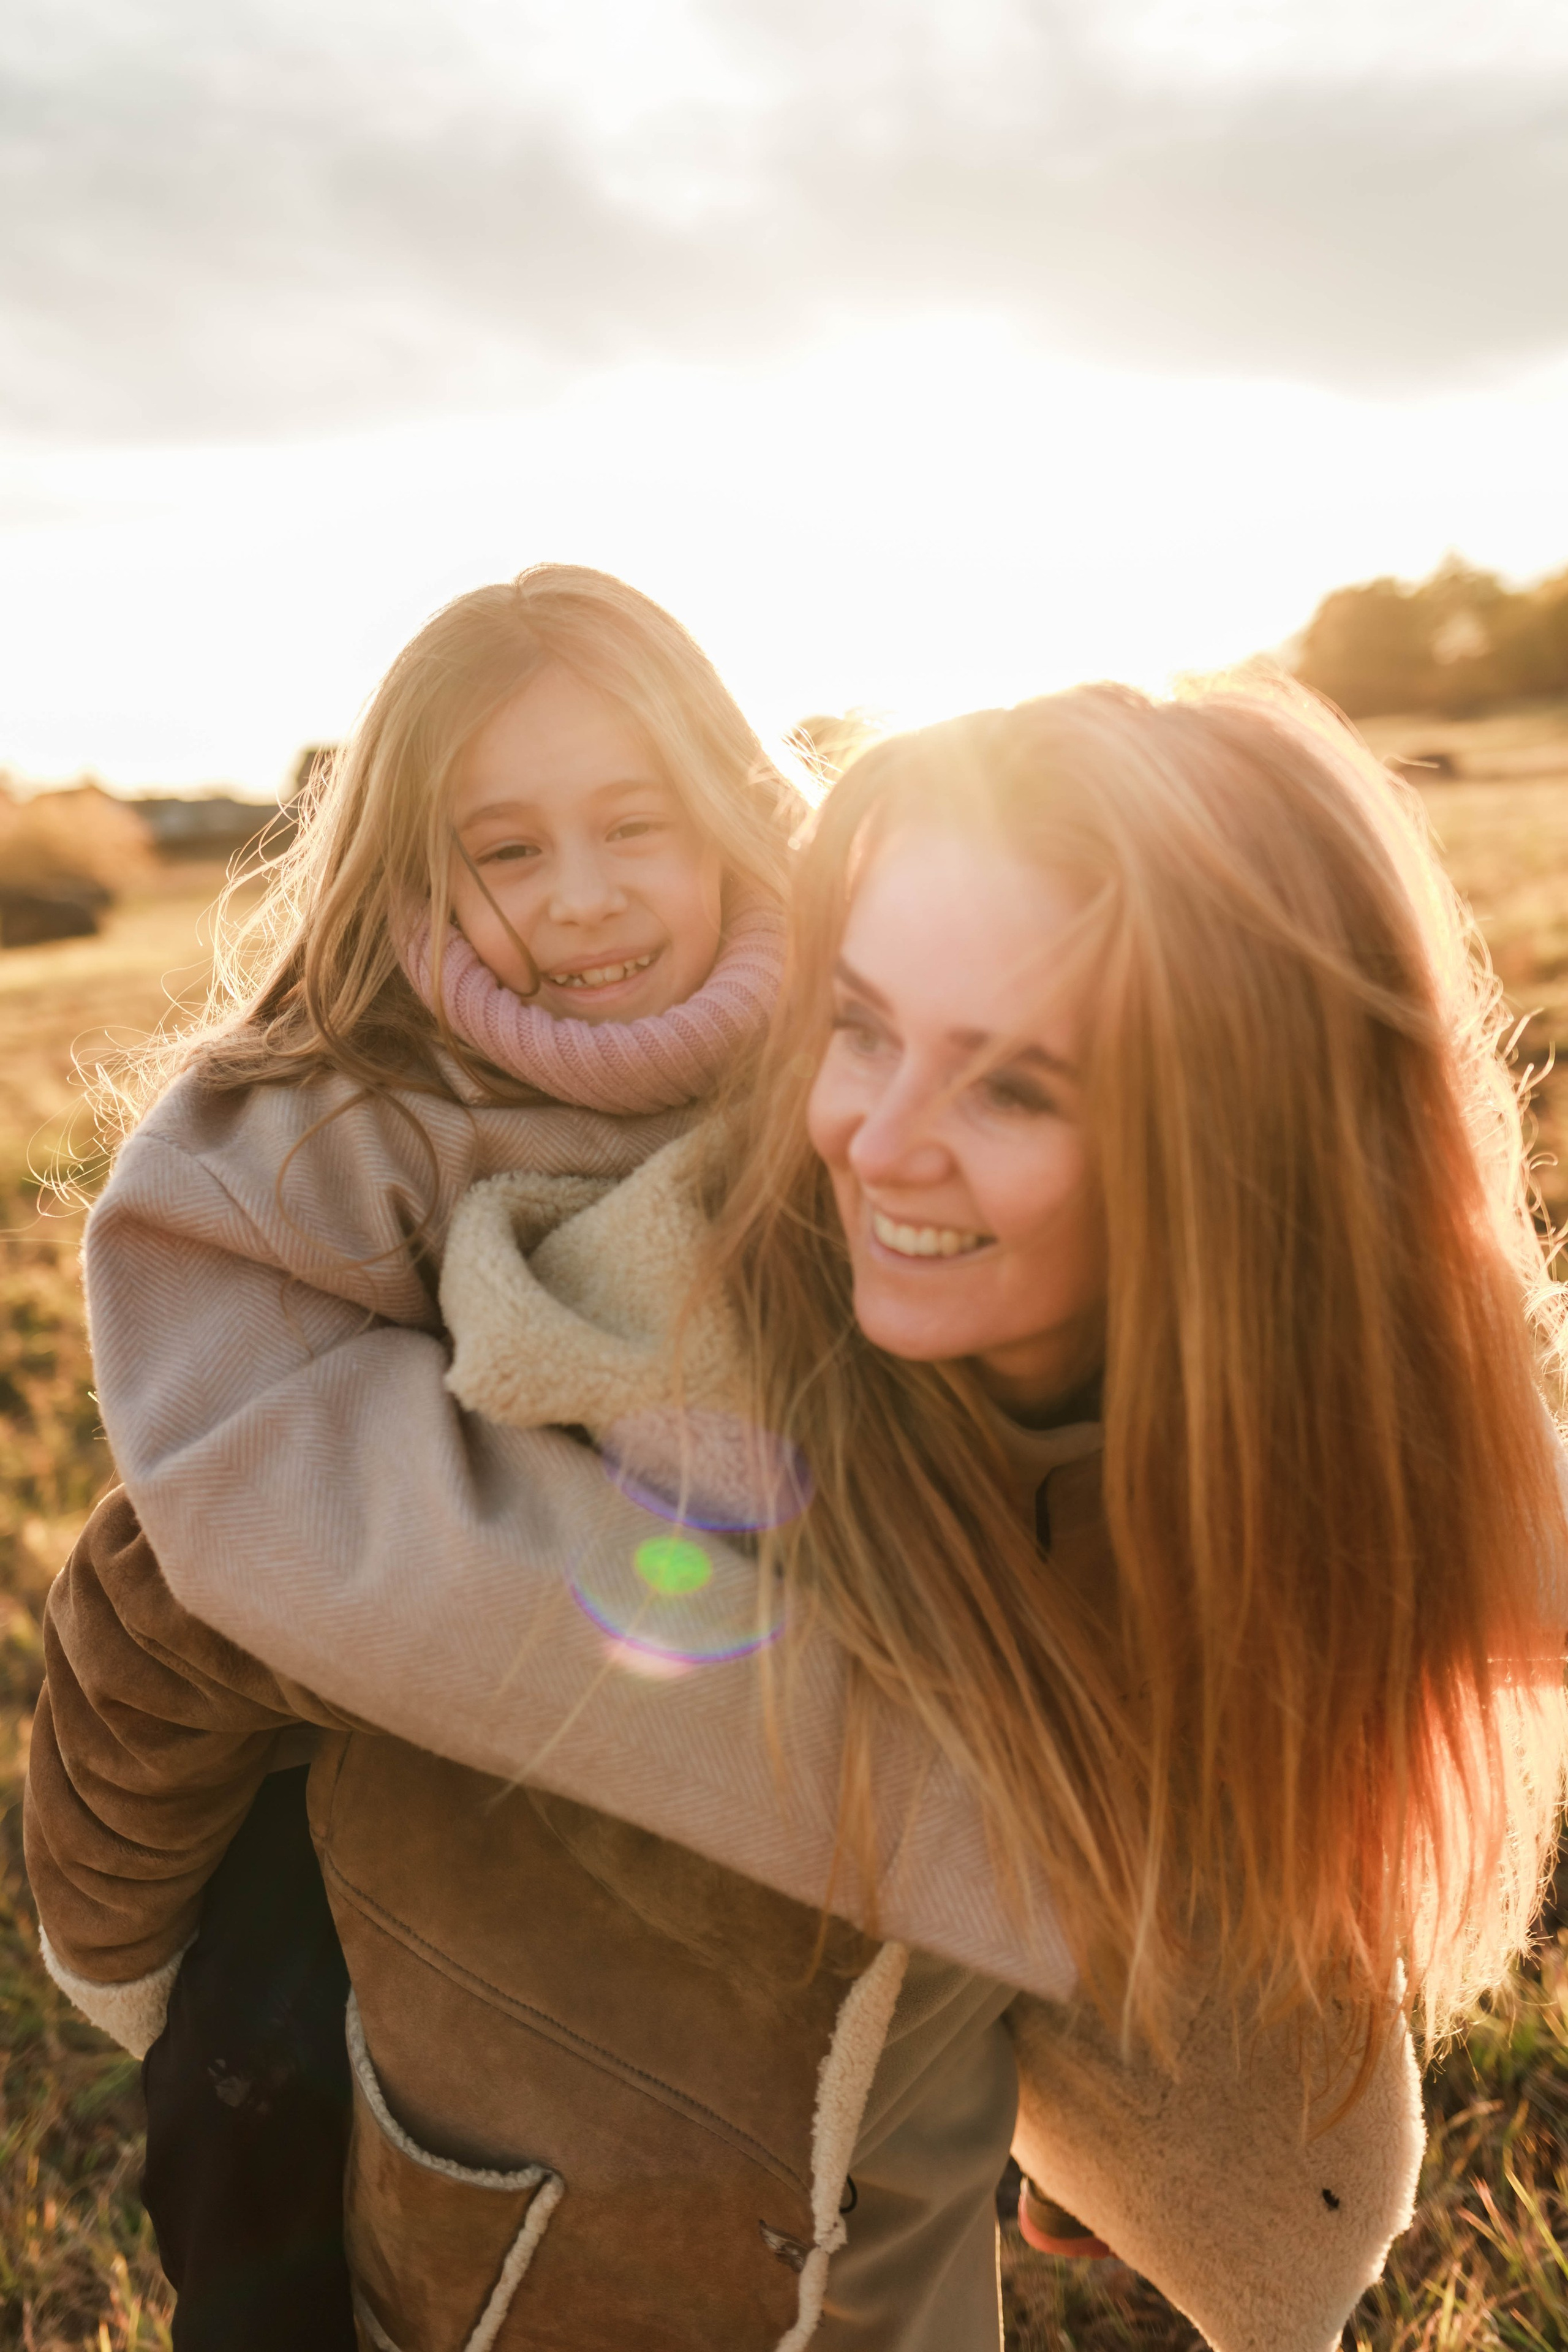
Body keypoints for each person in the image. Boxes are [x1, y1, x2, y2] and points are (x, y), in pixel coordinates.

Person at [27, 679, 1563, 2346]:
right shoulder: (608, 1378)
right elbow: (165, 1612)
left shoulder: (1289, 1438)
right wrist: (148, 1989)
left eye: (1017, 1088)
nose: (877, 1144)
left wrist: (1147, 2095)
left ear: (1243, 1144)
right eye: (858, 1026)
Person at [29, 558, 802, 2350]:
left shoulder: (858, 1085)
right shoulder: (336, 1130)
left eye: (635, 822)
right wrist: (132, 1957)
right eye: (506, 850)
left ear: (729, 810)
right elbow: (194, 1576)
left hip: (780, 1917)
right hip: (358, 1920)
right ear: (411, 872)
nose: (584, 895)